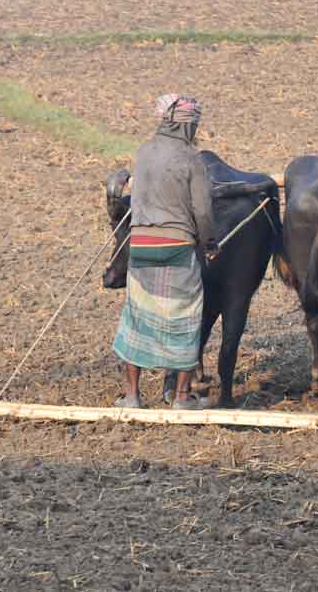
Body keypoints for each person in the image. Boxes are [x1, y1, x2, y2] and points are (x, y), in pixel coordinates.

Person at [111, 94, 217, 410]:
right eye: (194, 124)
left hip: (141, 244)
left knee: (137, 315)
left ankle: (132, 396)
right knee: (186, 315)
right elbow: (202, 212)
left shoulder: (143, 153)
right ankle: (182, 398)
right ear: (185, 125)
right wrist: (209, 243)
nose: (196, 130)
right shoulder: (191, 160)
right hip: (177, 246)